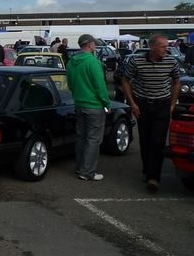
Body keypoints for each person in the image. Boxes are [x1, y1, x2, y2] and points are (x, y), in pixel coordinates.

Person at [121, 34, 181, 192]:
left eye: (166, 46)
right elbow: (125, 80)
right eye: (163, 47)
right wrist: (132, 103)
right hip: (143, 105)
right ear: (153, 47)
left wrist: (172, 104)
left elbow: (176, 82)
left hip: (162, 104)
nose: (166, 49)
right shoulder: (136, 61)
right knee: (145, 140)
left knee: (158, 141)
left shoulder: (171, 61)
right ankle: (147, 169)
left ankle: (154, 177)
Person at [67, 34, 111, 181]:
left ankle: (80, 167)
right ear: (90, 45)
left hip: (79, 104)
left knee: (81, 137)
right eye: (94, 44)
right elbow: (100, 86)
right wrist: (107, 103)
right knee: (93, 139)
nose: (95, 47)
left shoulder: (71, 62)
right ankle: (87, 172)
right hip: (94, 106)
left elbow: (71, 84)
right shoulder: (93, 62)